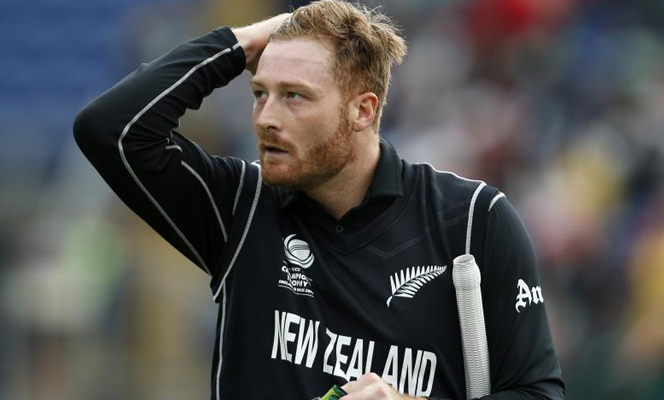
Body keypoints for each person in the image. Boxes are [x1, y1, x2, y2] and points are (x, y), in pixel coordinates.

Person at [73, 1, 565, 399]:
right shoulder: (242, 206)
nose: (266, 118)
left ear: (362, 110)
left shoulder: (473, 220)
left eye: (294, 96)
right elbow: (109, 128)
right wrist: (242, 43)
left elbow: (538, 393)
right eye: (259, 93)